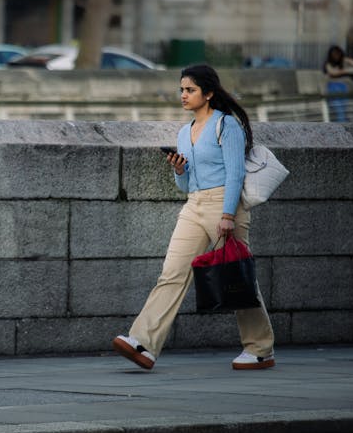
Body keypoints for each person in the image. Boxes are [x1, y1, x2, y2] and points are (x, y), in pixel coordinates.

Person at [113, 64, 275, 371]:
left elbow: (236, 172)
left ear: (209, 93)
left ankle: (260, 349)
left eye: (190, 90)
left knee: (238, 276)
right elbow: (186, 184)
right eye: (182, 90)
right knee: (172, 272)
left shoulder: (226, 126)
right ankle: (144, 342)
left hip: (223, 206)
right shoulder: (183, 132)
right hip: (193, 205)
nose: (184, 95)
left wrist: (228, 214)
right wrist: (179, 169)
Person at [323, 45, 353, 122]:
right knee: (337, 106)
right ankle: (341, 122)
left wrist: (347, 60)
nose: (336, 56)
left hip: (343, 87)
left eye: (337, 54)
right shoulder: (328, 64)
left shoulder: (344, 61)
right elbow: (333, 73)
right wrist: (346, 71)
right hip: (333, 87)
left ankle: (342, 122)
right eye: (334, 54)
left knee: (342, 107)